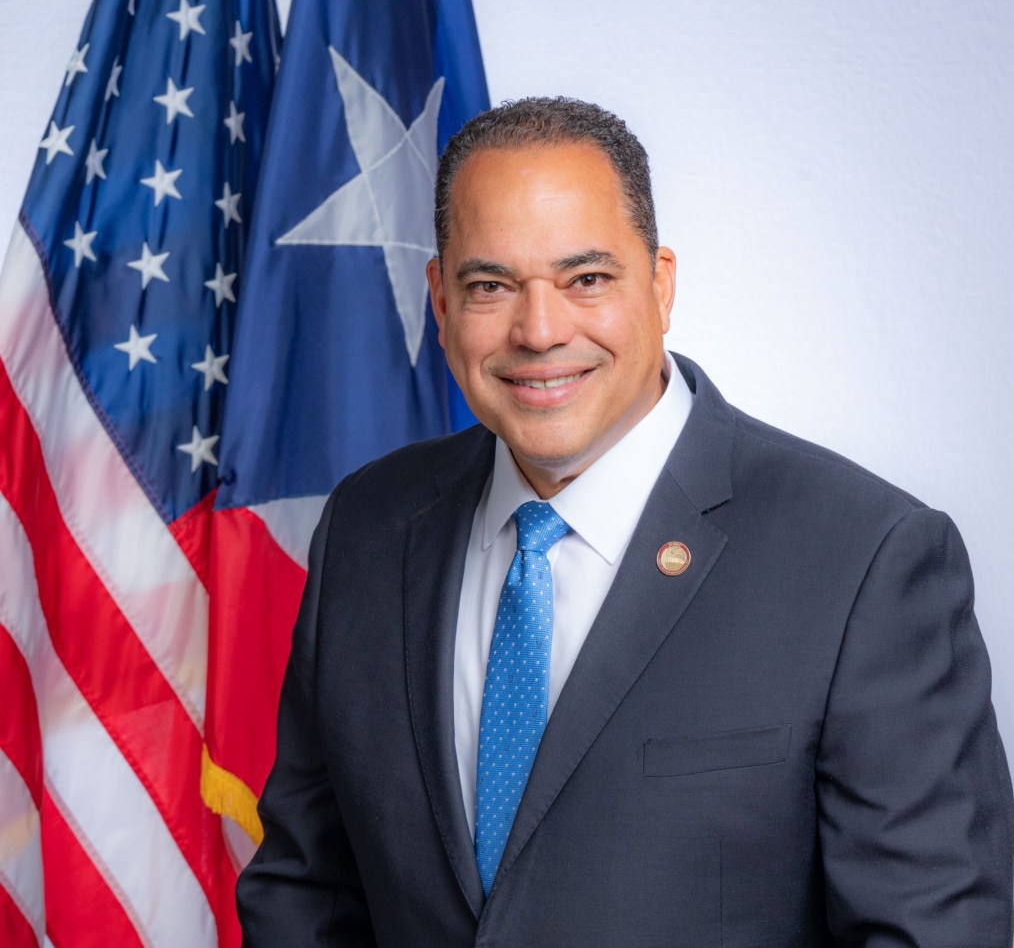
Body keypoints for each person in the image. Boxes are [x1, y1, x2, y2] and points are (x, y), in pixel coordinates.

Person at [236, 97, 1013, 945]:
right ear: (441, 301)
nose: (540, 331)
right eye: (491, 285)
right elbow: (306, 894)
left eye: (586, 279)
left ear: (661, 283)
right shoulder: (368, 528)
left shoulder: (863, 559)